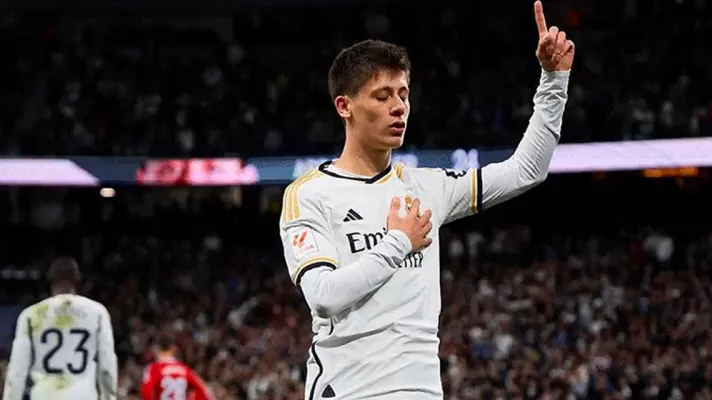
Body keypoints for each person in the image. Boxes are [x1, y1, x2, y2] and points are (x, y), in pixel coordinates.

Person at [277, 1, 574, 398]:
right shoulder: (309, 194)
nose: (398, 107)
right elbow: (324, 296)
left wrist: (553, 82)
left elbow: (526, 171)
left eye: (403, 94)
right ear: (345, 106)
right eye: (382, 96)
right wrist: (398, 242)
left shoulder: (426, 187)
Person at [2, 256, 117, 400]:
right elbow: (107, 366)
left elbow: (17, 370)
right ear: (78, 281)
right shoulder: (97, 312)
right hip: (83, 395)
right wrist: (109, 397)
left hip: (45, 395)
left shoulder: (30, 315)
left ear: (50, 281)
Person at [140, 336, 213, 400]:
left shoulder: (153, 369)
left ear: (156, 350)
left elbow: (146, 392)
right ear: (174, 349)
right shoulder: (185, 370)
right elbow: (204, 391)